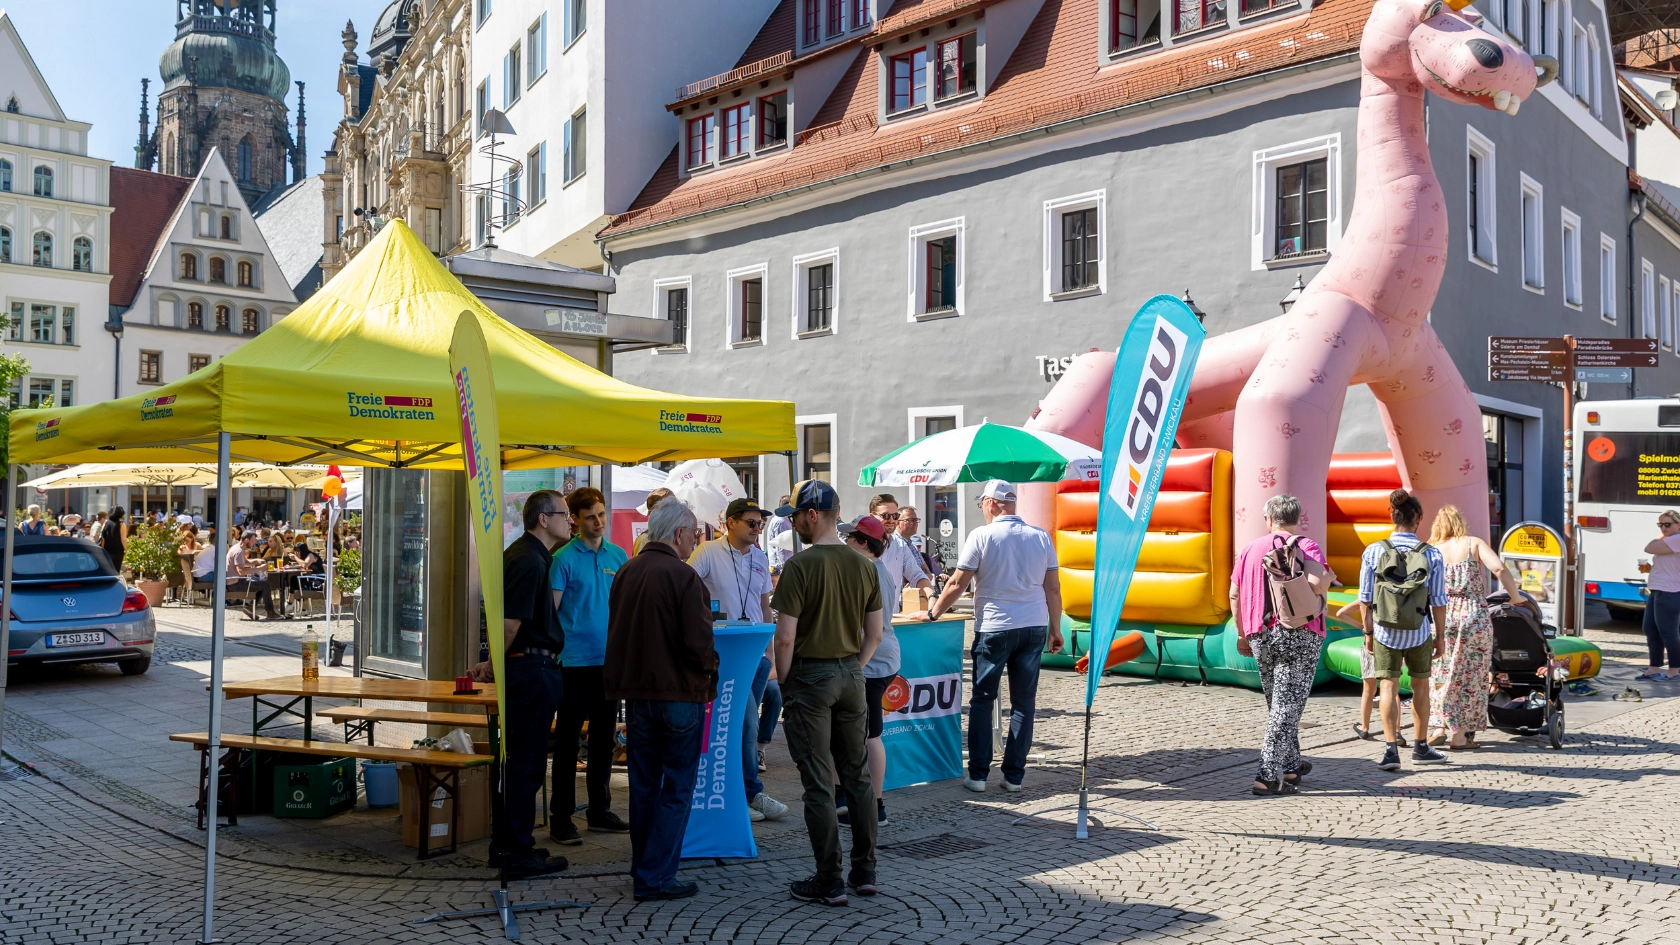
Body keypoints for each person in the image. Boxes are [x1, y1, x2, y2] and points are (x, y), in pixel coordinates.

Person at [771, 479, 884, 906]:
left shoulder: (800, 566)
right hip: (851, 675)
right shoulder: (864, 565)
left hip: (810, 677)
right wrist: (853, 668)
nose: (793, 524)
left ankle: (829, 878)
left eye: (796, 516)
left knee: (819, 782)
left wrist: (786, 681)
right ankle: (865, 871)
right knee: (857, 776)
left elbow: (785, 638)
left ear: (813, 515)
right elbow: (875, 634)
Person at [603, 499, 716, 902]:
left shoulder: (628, 570)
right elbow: (699, 643)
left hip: (637, 695)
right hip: (677, 694)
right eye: (695, 533)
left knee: (645, 786)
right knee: (676, 788)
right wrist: (710, 672)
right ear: (679, 533)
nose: (696, 540)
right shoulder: (683, 576)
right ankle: (655, 877)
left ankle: (645, 867)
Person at [926, 480, 1063, 793]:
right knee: (1023, 703)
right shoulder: (1040, 536)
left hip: (995, 626)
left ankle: (977, 775)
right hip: (1033, 626)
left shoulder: (982, 535)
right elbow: (1053, 588)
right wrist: (1055, 628)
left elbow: (957, 583)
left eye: (981, 504)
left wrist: (933, 613)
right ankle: (1014, 777)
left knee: (983, 700)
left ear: (990, 503)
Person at [689, 497, 788, 823]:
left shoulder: (759, 557)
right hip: (723, 655)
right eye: (751, 522)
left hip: (754, 654)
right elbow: (685, 587)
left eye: (760, 523)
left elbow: (764, 605)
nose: (758, 528)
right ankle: (750, 793)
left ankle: (738, 792)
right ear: (730, 523)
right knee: (745, 723)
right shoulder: (707, 552)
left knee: (739, 726)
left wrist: (769, 653)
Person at [1229, 495, 1334, 796]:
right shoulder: (1306, 545)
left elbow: (1234, 594)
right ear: (1297, 518)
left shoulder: (1248, 550)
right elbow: (1319, 583)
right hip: (1299, 632)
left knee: (1279, 702)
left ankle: (1290, 764)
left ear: (1268, 519)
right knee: (1287, 706)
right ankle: (1267, 776)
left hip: (1258, 633)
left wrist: (1241, 634)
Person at [547, 487, 632, 844]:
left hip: (608, 663)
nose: (598, 522)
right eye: (590, 517)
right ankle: (561, 818)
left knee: (603, 740)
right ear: (575, 520)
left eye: (601, 514)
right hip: (572, 664)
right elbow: (551, 613)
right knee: (567, 743)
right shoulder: (563, 558)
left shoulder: (618, 555)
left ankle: (599, 810)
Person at [497, 490, 573, 878]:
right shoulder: (528, 559)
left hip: (532, 667)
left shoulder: (532, 556)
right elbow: (511, 623)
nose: (570, 521)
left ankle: (512, 844)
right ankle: (515, 851)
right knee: (526, 765)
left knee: (524, 762)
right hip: (530, 669)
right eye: (564, 514)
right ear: (543, 519)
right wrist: (494, 664)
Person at [1359, 489, 1451, 771]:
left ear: (1392, 516)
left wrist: (1368, 633)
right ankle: (1421, 747)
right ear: (1419, 518)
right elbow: (1438, 601)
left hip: (1384, 632)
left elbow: (1365, 598)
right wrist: (1440, 637)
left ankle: (1391, 751)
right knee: (1420, 686)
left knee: (1388, 686)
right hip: (1419, 631)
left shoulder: (1374, 551)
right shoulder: (1432, 554)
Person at [1426, 504, 1531, 748]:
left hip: (1442, 614)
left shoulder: (1432, 550)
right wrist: (1515, 596)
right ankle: (1460, 736)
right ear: (1460, 522)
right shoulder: (1473, 544)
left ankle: (1439, 725)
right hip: (1474, 614)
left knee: (1441, 672)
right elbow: (1499, 569)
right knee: (1471, 675)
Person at [836, 514, 900, 827]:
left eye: (850, 537)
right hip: (879, 659)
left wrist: (855, 669)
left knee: (869, 734)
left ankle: (874, 806)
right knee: (853, 731)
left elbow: (871, 632)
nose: (845, 541)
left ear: (863, 543)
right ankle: (846, 799)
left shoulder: (867, 571)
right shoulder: (878, 569)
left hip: (871, 662)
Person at [868, 494, 933, 611]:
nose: (891, 520)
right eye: (886, 515)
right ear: (872, 517)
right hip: (864, 618)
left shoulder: (900, 545)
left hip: (892, 616)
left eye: (895, 516)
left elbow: (916, 575)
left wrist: (932, 596)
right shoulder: (860, 544)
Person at [1639, 509, 1680, 682]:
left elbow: (1649, 547)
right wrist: (1650, 569)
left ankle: (1674, 671)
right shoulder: (1670, 540)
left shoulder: (1677, 539)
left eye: (1667, 524)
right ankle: (1654, 668)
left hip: (1669, 591)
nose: (1663, 528)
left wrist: (1663, 535)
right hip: (1657, 590)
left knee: (1668, 633)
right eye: (1660, 524)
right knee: (1650, 629)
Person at [227, 533, 278, 619]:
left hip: (234, 581)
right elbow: (241, 571)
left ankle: (250, 608)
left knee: (262, 584)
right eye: (253, 541)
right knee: (266, 585)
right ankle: (271, 613)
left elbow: (245, 563)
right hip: (235, 584)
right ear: (246, 540)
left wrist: (256, 561)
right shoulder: (238, 551)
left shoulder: (237, 548)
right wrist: (260, 568)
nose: (254, 543)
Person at [896, 506, 942, 581]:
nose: (915, 524)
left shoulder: (913, 546)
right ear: (898, 523)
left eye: (916, 520)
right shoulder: (895, 544)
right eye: (910, 520)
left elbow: (927, 572)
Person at [633, 488, 675, 556]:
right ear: (652, 513)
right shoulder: (644, 539)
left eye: (674, 505)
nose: (672, 511)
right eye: (666, 507)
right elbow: (640, 562)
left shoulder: (677, 536)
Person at [765, 495, 795, 569]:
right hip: (780, 566)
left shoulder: (783, 519)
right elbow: (781, 547)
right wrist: (784, 567)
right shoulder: (781, 521)